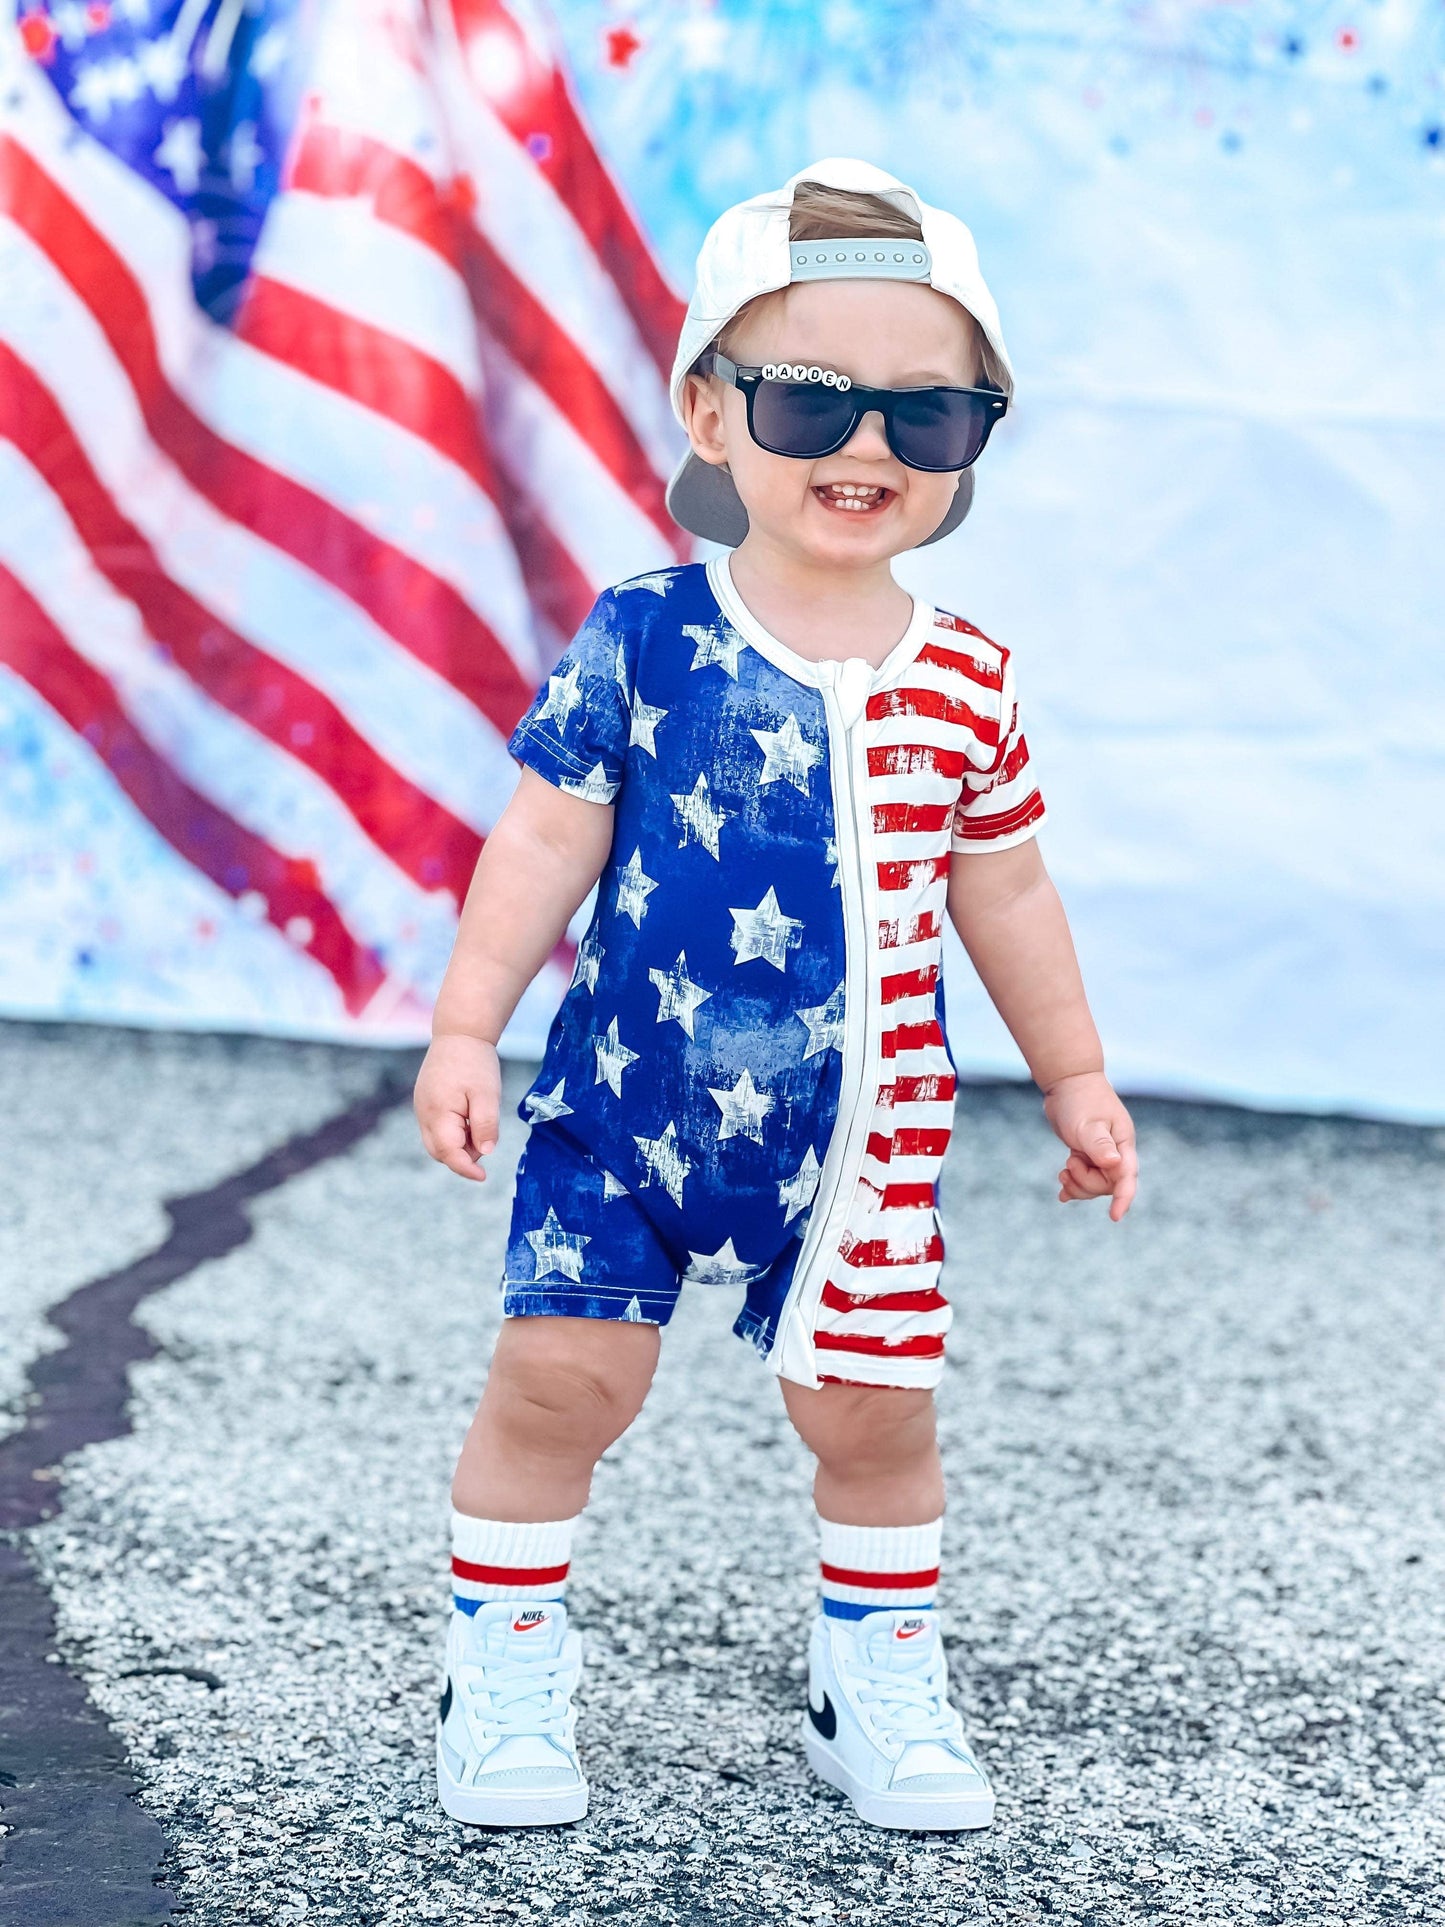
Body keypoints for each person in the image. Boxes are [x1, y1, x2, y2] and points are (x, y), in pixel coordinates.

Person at [413, 156, 1138, 1832]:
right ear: (709, 411)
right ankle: (502, 1652)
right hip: (623, 1115)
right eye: (809, 402)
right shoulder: (644, 638)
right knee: (558, 1383)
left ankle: (870, 1675)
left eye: (928, 417)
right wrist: (468, 1023)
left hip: (864, 1134)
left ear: (973, 442)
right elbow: (542, 838)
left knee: (874, 1415)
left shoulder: (968, 680)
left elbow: (1005, 886)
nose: (865, 449)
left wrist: (1079, 1072)